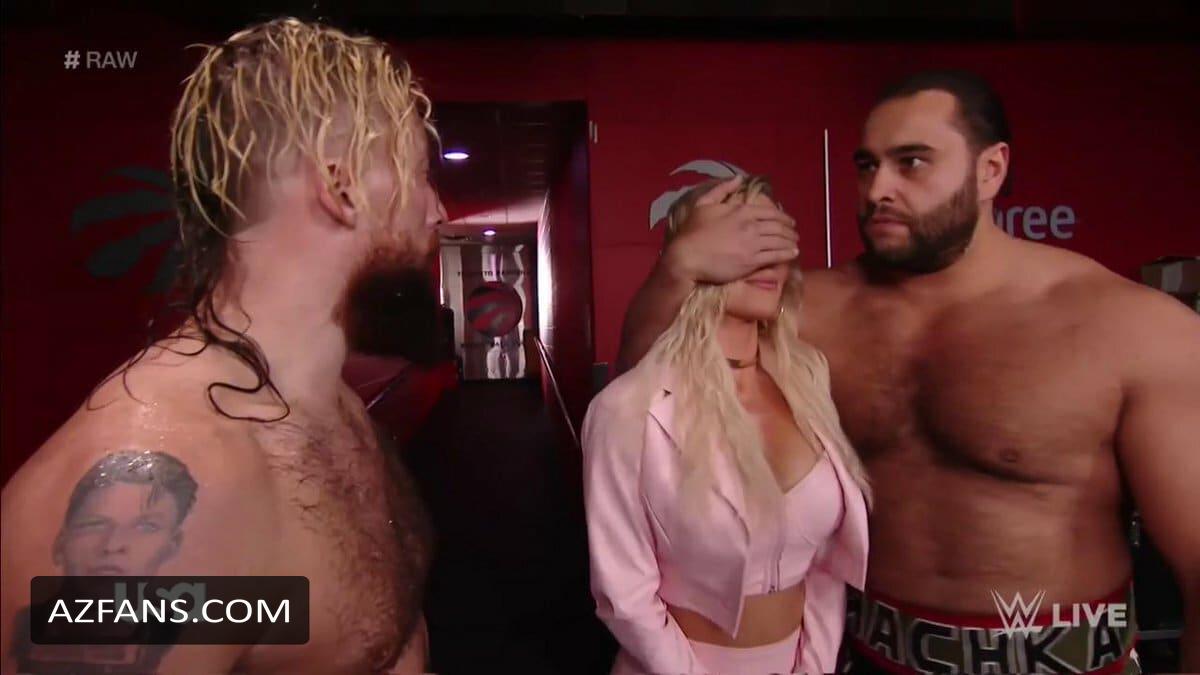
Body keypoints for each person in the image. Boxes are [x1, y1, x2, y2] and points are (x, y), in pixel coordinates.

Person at [617, 70, 1200, 674]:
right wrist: (678, 269)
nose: (877, 190)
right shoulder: (806, 312)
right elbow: (642, 411)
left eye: (912, 162)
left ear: (990, 170)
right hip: (868, 655)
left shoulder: (1129, 327)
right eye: (867, 166)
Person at [2, 17, 447, 674]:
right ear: (342, 188)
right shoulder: (155, 485)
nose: (437, 210)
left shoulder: (334, 409)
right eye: (419, 174)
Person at [585, 176, 871, 674]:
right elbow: (624, 595)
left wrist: (814, 666)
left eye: (774, 237)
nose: (768, 258)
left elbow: (826, 565)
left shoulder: (807, 385)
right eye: (743, 236)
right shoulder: (627, 409)